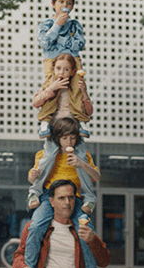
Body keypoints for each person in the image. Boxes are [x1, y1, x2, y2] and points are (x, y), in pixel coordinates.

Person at [20, 117, 107, 268]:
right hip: (49, 196)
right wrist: (32, 175)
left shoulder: (82, 154)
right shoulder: (43, 154)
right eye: (65, 138)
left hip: (74, 197)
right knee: (35, 227)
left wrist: (81, 163)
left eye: (73, 138)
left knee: (85, 231)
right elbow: (32, 179)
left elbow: (97, 177)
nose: (70, 142)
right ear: (57, 138)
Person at [28, 54, 95, 214]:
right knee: (47, 158)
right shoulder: (50, 83)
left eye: (66, 69)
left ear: (72, 71)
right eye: (58, 68)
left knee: (81, 159)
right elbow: (36, 103)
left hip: (73, 131)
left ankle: (89, 198)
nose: (61, 72)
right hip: (55, 131)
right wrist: (52, 89)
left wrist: (84, 92)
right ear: (53, 69)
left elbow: (89, 111)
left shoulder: (77, 86)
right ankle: (34, 192)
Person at [37, 0, 91, 138]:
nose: (65, 5)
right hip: (52, 61)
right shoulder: (47, 24)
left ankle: (81, 120)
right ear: (53, 4)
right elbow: (45, 43)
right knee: (51, 88)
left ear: (72, 6)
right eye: (61, 1)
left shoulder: (75, 25)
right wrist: (57, 26)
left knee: (77, 87)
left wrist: (58, 40)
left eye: (69, 3)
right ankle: (45, 121)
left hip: (73, 60)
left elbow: (79, 44)